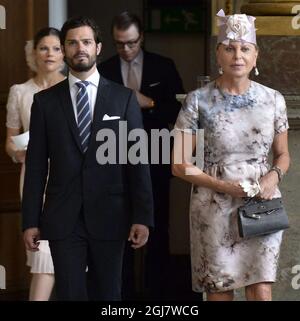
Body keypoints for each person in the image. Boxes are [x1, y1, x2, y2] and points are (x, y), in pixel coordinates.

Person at [21, 16, 154, 301]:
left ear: (98, 47)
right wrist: (30, 220)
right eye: (72, 43)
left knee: (108, 295)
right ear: (65, 49)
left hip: (112, 215)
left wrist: (143, 216)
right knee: (70, 295)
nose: (79, 48)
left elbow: (138, 163)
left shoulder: (124, 99)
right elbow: (34, 167)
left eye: (86, 42)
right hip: (62, 217)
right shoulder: (44, 102)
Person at [172, 9, 290, 301]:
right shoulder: (197, 101)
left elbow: (283, 155)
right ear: (218, 54)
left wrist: (273, 177)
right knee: (220, 290)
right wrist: (225, 187)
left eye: (244, 48)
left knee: (261, 289)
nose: (237, 55)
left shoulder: (273, 99)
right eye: (229, 48)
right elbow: (179, 164)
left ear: (256, 55)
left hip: (262, 203)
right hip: (213, 205)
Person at [99, 11, 185, 300]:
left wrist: (146, 102)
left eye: (132, 43)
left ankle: (158, 293)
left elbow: (179, 112)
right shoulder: (104, 70)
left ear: (142, 38)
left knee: (158, 225)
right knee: (118, 226)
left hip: (157, 152)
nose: (126, 50)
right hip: (115, 155)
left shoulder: (164, 66)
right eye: (120, 44)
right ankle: (121, 294)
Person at [5, 27, 65, 301]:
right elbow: (10, 141)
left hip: (69, 179)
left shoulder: (75, 88)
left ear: (64, 53)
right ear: (33, 53)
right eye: (43, 48)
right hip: (34, 178)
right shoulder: (19, 92)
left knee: (67, 255)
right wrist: (19, 151)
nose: (49, 54)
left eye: (55, 48)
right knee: (43, 251)